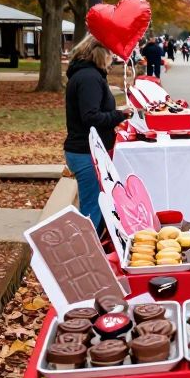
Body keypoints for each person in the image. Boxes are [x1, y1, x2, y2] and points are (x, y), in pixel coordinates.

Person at [63, 35, 135, 231]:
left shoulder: (88, 75)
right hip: (86, 152)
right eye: (110, 53)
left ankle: (94, 244)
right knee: (92, 207)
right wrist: (120, 115)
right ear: (100, 53)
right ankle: (84, 252)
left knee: (96, 203)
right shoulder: (89, 78)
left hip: (87, 149)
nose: (112, 58)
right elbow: (91, 116)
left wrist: (115, 115)